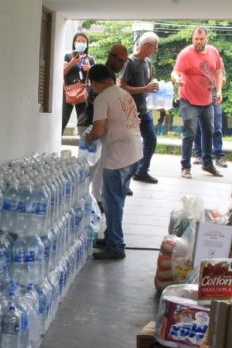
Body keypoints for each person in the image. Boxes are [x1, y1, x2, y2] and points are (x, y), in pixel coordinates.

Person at [84, 64, 142, 260]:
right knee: (117, 200)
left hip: (118, 158)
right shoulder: (123, 94)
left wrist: (89, 138)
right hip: (133, 153)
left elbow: (98, 131)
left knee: (112, 203)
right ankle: (111, 237)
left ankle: (116, 246)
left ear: (93, 83)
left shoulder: (102, 98)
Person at [77, 44, 130, 210]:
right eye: (121, 61)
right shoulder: (100, 73)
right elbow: (100, 106)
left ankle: (96, 198)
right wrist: (93, 134)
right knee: (90, 166)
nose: (123, 65)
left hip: (101, 126)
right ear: (112, 56)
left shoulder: (111, 76)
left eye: (125, 62)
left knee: (100, 166)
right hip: (90, 125)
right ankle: (81, 198)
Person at [171, 26, 223, 179]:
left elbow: (218, 73)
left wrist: (219, 91)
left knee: (209, 131)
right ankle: (185, 167)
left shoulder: (213, 52)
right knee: (190, 133)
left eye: (201, 39)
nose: (198, 42)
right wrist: (177, 79)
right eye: (195, 39)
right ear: (192, 38)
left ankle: (208, 163)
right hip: (188, 100)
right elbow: (174, 72)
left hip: (207, 100)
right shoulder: (186, 54)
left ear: (207, 38)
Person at [119, 32, 160, 184]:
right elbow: (121, 86)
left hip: (143, 109)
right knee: (130, 146)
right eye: (155, 47)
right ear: (147, 46)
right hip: (129, 111)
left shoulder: (148, 62)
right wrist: (144, 89)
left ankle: (142, 171)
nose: (156, 50)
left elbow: (147, 84)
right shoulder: (130, 62)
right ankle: (125, 179)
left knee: (151, 140)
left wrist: (152, 86)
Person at [193, 61, 227, 168]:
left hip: (213, 98)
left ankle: (219, 156)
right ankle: (199, 155)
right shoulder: (195, 58)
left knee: (217, 128)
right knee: (198, 128)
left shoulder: (218, 60)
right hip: (198, 98)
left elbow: (223, 79)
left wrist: (218, 83)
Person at [62, 33, 96, 134]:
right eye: (79, 41)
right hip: (69, 91)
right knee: (63, 119)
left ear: (87, 44)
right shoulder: (68, 56)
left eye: (83, 41)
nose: (81, 43)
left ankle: (84, 146)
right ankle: (56, 143)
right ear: (74, 43)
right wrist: (72, 62)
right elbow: (62, 72)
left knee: (83, 122)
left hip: (84, 92)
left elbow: (95, 79)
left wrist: (90, 69)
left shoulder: (90, 59)